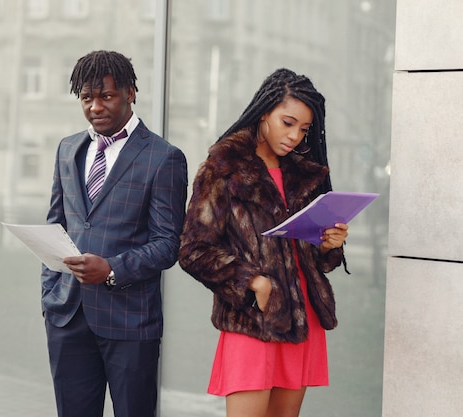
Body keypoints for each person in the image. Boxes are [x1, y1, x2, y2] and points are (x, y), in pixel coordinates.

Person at [178, 68, 349, 417]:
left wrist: (329, 245)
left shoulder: (303, 173)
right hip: (253, 317)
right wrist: (252, 283)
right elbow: (193, 249)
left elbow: (310, 255)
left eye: (303, 129)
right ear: (264, 112)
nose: (294, 136)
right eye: (287, 122)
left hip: (302, 318)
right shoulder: (224, 168)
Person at [41, 50, 188, 417]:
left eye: (106, 96)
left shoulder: (163, 157)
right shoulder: (67, 149)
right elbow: (56, 224)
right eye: (87, 98)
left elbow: (168, 244)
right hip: (67, 315)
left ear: (130, 93)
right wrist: (49, 294)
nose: (95, 107)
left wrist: (110, 269)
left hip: (130, 321)